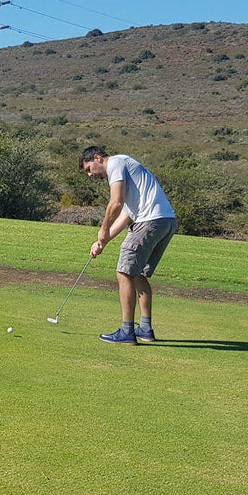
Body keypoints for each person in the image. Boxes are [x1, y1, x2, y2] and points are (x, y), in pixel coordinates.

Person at [80, 146, 177, 345]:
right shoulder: (127, 172)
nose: (90, 175)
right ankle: (145, 328)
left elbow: (115, 203)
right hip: (166, 221)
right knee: (138, 274)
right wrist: (102, 241)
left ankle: (127, 332)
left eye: (89, 168)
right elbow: (127, 214)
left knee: (124, 273)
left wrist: (102, 228)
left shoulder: (115, 163)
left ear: (98, 158)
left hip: (149, 221)